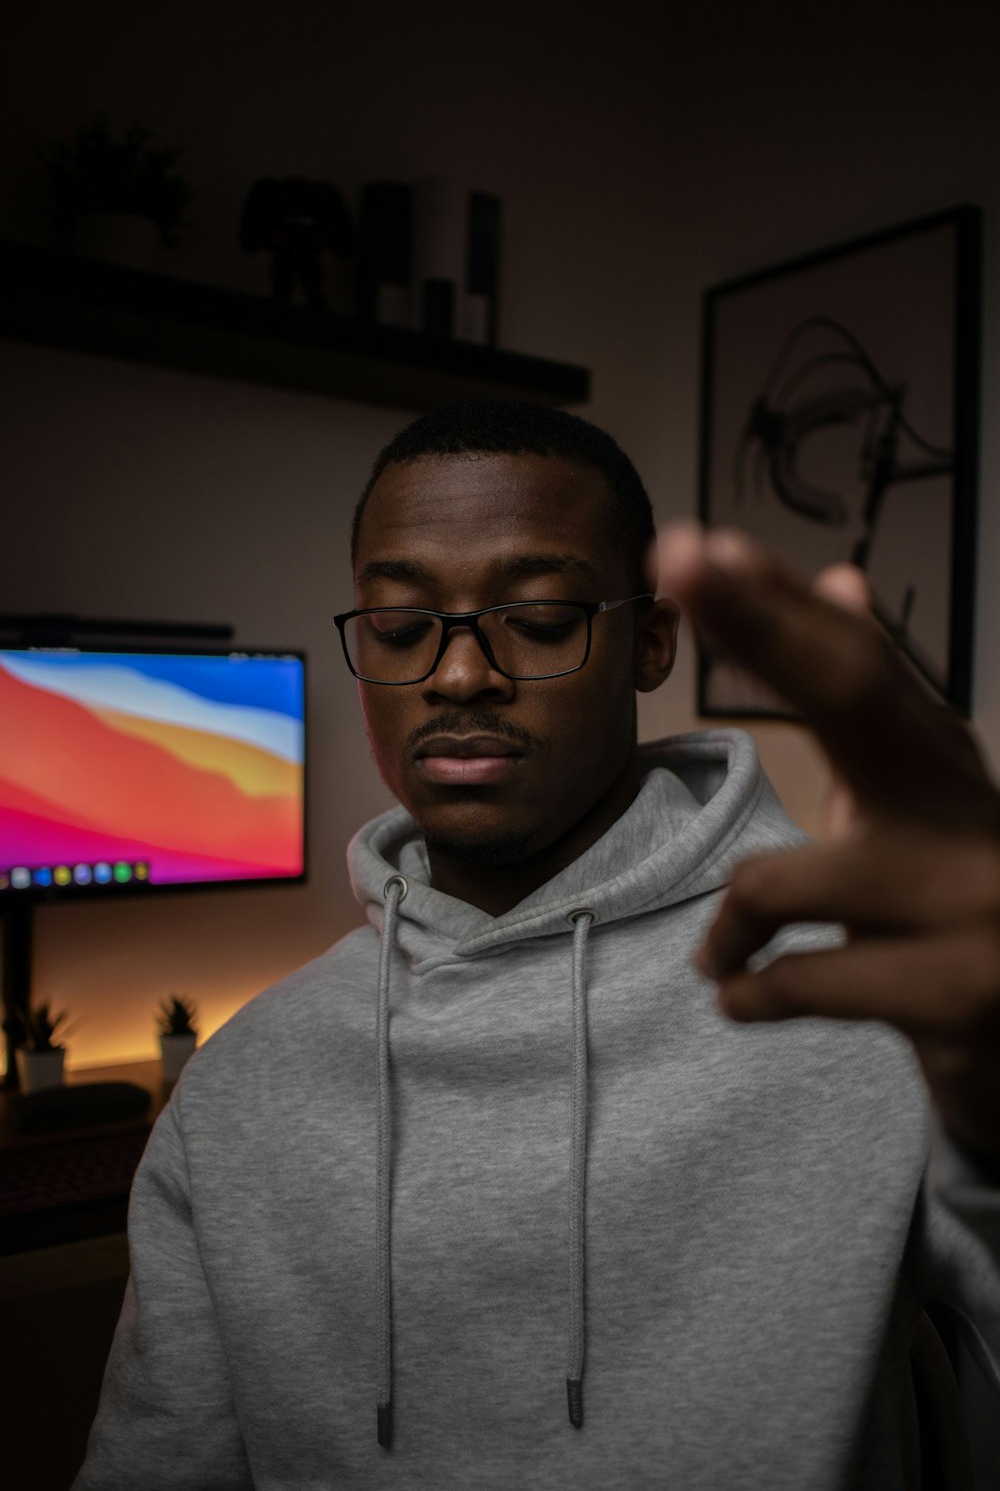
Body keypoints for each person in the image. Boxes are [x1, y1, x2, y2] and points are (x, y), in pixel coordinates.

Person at [73, 400, 1000, 1490]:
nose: (460, 676)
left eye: (543, 618)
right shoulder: (237, 1091)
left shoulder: (873, 997)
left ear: (650, 641)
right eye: (401, 625)